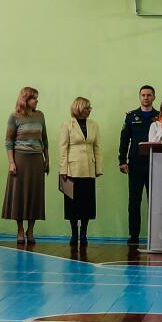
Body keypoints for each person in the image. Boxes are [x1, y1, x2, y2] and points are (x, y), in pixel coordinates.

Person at [2, 85, 47, 246]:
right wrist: (11, 162)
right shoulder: (14, 117)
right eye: (33, 98)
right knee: (19, 196)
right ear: (25, 100)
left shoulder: (40, 116)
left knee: (34, 196)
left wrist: (46, 160)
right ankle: (20, 230)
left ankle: (31, 230)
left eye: (36, 98)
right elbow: (8, 141)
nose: (36, 101)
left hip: (36, 160)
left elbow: (45, 139)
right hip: (20, 159)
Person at [57, 96, 101, 249]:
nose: (90, 110)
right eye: (87, 107)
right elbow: (63, 148)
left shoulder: (94, 125)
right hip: (70, 170)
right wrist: (62, 169)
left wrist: (98, 168)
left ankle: (84, 232)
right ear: (79, 108)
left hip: (88, 168)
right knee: (72, 204)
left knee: (87, 203)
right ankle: (74, 232)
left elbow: (97, 147)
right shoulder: (67, 125)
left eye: (90, 108)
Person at [118, 84, 157, 247]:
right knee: (134, 201)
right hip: (135, 164)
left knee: (155, 202)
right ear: (140, 97)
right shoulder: (131, 116)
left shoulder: (161, 115)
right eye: (143, 95)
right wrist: (122, 160)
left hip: (156, 164)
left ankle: (155, 235)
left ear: (154, 97)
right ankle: (134, 235)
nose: (146, 97)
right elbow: (124, 139)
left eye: (149, 95)